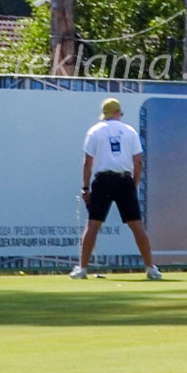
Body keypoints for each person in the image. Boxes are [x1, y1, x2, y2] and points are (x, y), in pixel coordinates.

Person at [74, 97, 161, 279]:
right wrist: (134, 185)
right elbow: (138, 162)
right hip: (124, 180)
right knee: (137, 225)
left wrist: (85, 187)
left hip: (103, 180)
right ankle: (151, 268)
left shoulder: (95, 131)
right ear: (118, 113)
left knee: (92, 225)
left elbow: (88, 162)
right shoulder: (129, 131)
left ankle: (82, 269)